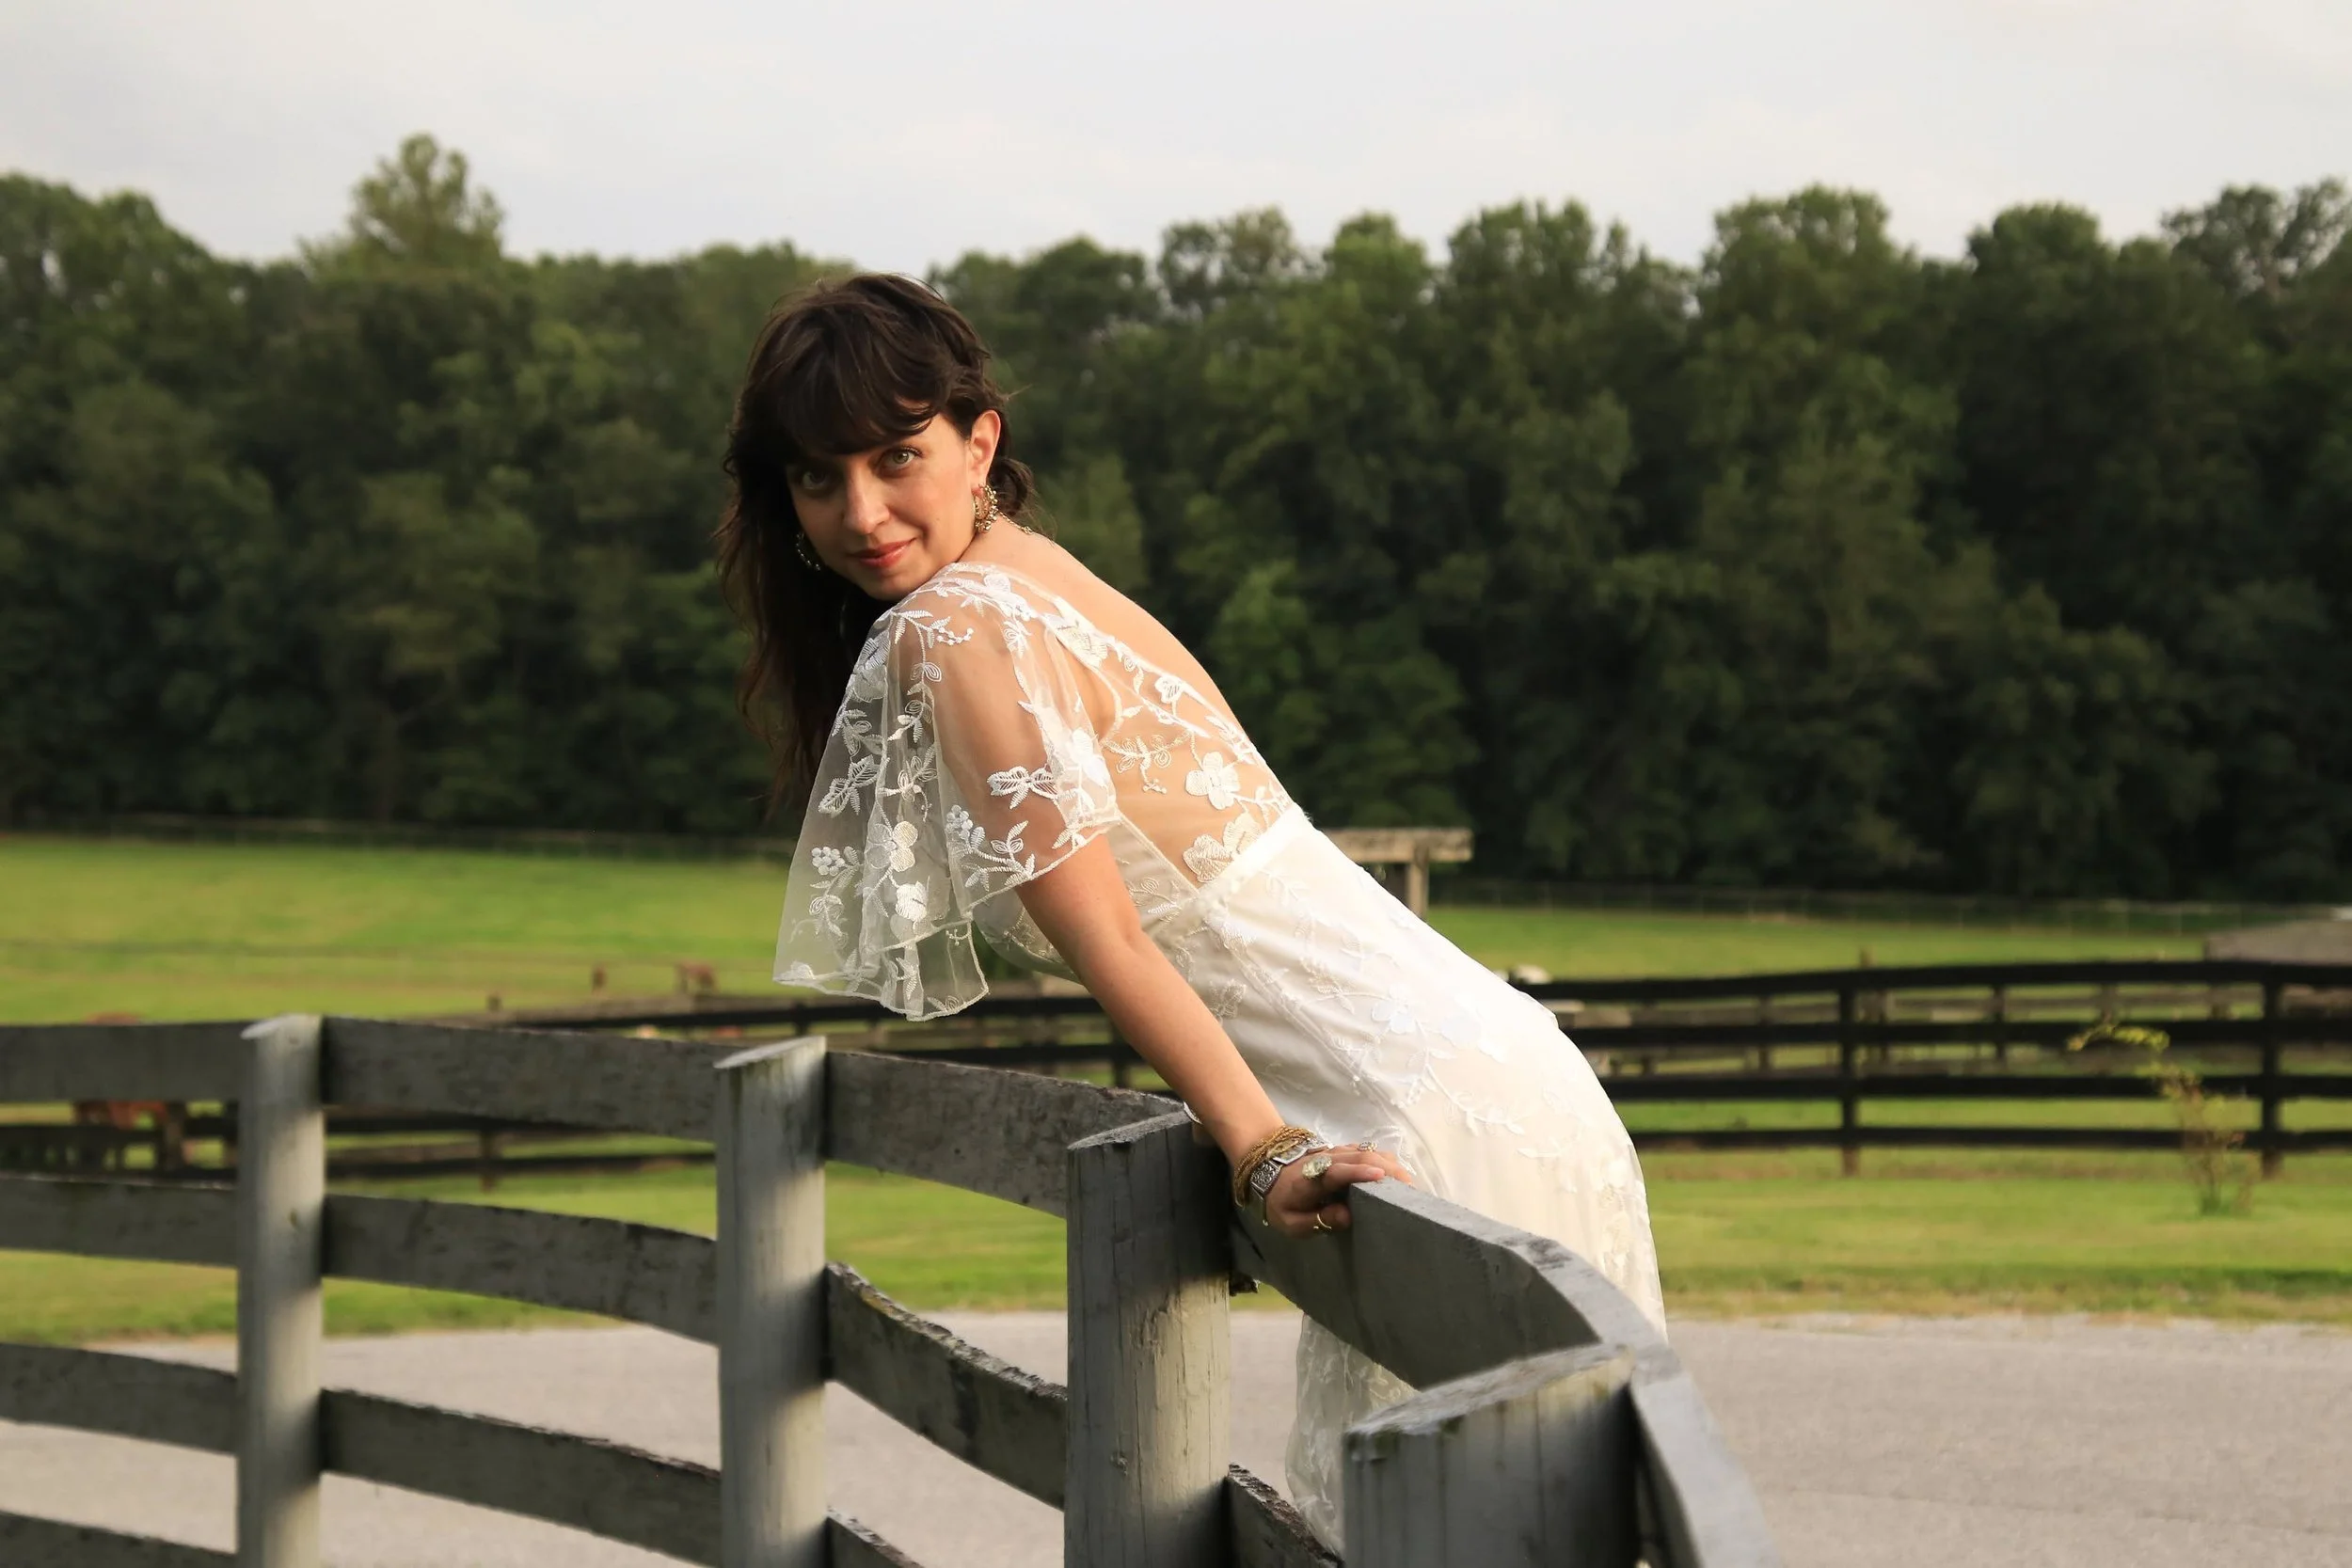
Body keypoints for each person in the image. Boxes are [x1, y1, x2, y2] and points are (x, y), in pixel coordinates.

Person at [717, 272, 1664, 1547]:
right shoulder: (1033, 572)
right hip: (1507, 1068)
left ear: (979, 441)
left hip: (1418, 1108)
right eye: (817, 478)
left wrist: (1260, 1149)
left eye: (897, 457)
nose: (862, 512)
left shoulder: (955, 625)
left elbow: (1111, 934)